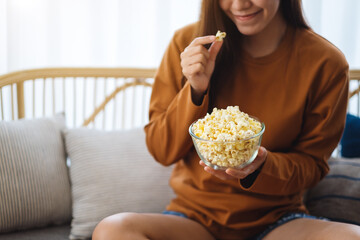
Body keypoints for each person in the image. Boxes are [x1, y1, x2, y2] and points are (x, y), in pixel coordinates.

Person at [93, 0, 360, 239]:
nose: (240, 4)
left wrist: (261, 164)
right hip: (194, 220)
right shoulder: (188, 45)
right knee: (112, 230)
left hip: (278, 221)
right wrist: (195, 90)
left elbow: (312, 166)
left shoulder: (325, 62)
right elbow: (161, 150)